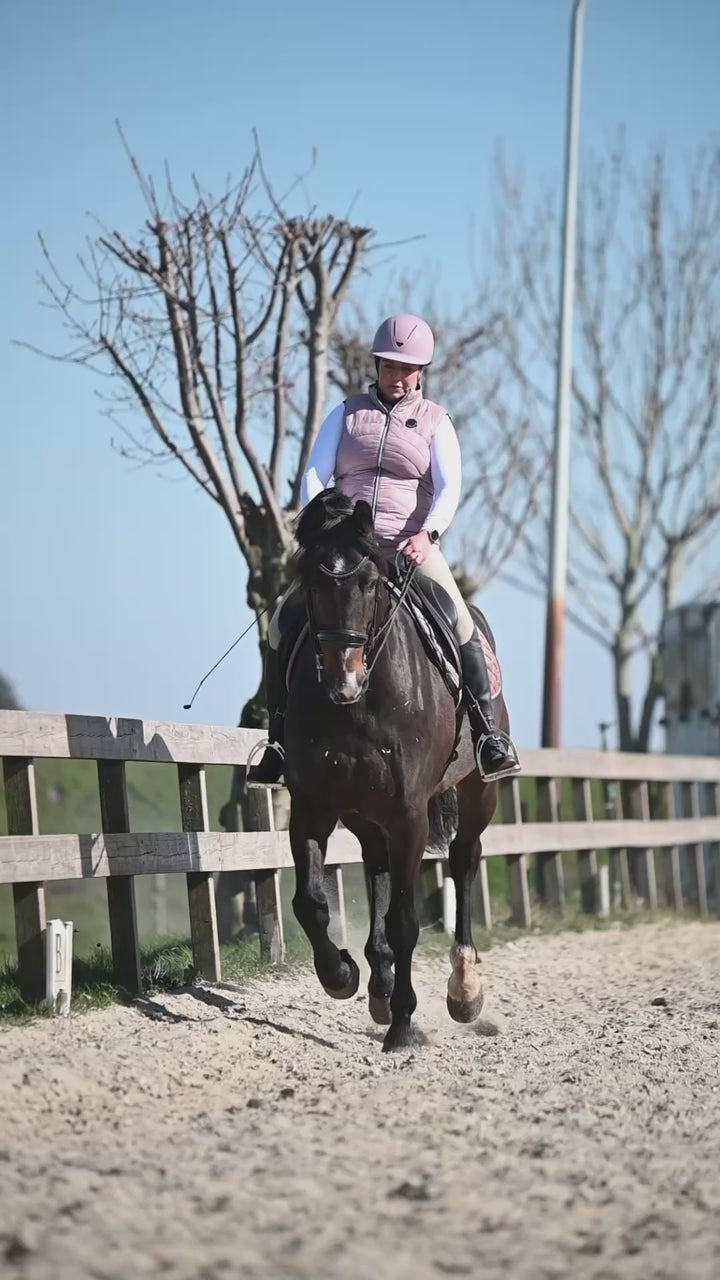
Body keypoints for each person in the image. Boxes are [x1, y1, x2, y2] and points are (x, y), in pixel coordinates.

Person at [247, 313, 520, 788]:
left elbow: (450, 486)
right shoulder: (347, 414)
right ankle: (278, 741)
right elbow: (315, 473)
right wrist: (323, 524)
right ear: (377, 365)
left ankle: (487, 736)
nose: (398, 376)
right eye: (390, 366)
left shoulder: (436, 422)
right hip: (347, 550)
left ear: (421, 372)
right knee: (280, 624)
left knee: (460, 621)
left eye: (408, 369)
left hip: (407, 545)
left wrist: (428, 533)